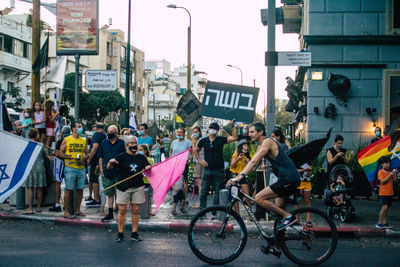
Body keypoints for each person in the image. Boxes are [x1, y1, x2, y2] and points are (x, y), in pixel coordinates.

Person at [227, 122, 301, 231]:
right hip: (284, 179)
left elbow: (254, 162)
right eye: (249, 132)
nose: (250, 134)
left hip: (289, 178)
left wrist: (239, 177)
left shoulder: (268, 142)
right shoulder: (261, 145)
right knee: (277, 213)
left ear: (261, 132)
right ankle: (278, 244)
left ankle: (289, 217)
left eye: (252, 132)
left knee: (258, 198)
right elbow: (253, 164)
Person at [107, 136, 151, 242]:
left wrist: (148, 168)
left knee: (136, 210)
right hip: (123, 188)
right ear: (127, 146)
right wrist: (110, 162)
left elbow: (148, 169)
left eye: (135, 143)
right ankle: (120, 233)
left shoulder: (141, 158)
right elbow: (109, 167)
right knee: (122, 210)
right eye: (131, 143)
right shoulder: (121, 156)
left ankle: (134, 233)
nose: (134, 145)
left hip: (138, 186)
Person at [193, 121, 238, 215]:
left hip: (219, 170)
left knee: (217, 193)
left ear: (217, 131)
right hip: (207, 170)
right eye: (211, 128)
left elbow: (234, 138)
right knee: (203, 192)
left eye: (214, 129)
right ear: (208, 129)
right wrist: (200, 160)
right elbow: (195, 150)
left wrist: (233, 126)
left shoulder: (220, 139)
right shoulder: (203, 141)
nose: (212, 130)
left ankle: (214, 213)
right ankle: (202, 213)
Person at [60, 121, 89, 219]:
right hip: (70, 167)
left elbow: (87, 154)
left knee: (80, 189)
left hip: (80, 168)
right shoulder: (67, 140)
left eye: (80, 126)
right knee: (69, 189)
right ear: (73, 128)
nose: (80, 128)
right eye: (78, 126)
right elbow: (60, 153)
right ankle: (66, 211)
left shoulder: (83, 140)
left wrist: (83, 159)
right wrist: (67, 156)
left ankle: (77, 209)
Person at [98, 125, 126, 222]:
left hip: (118, 172)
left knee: (119, 194)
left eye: (111, 131)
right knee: (109, 194)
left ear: (116, 133)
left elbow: (124, 157)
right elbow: (100, 158)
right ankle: (110, 213)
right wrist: (102, 171)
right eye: (108, 131)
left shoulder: (121, 143)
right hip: (107, 172)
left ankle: (119, 213)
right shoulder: (104, 143)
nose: (109, 133)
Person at [23, 129, 47, 214]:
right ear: (37, 135)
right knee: (39, 188)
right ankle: (39, 208)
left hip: (30, 168)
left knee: (30, 188)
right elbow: (46, 154)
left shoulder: (27, 145)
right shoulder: (40, 145)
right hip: (40, 168)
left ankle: (30, 208)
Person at [170, 127, 192, 213]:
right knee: (174, 181)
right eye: (178, 132)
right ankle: (175, 199)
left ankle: (183, 199)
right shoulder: (173, 142)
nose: (179, 134)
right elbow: (171, 152)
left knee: (185, 182)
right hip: (175, 164)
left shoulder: (187, 142)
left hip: (183, 164)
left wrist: (189, 159)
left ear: (184, 133)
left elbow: (192, 152)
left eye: (181, 132)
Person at [49, 126, 71, 212]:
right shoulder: (71, 141)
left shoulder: (60, 142)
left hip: (60, 163)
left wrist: (54, 153)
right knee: (69, 185)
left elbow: (58, 153)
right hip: (69, 164)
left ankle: (57, 204)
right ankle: (68, 205)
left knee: (58, 183)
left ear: (62, 133)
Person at [86, 123, 107, 207]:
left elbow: (94, 147)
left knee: (94, 180)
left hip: (95, 160)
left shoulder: (97, 136)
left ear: (96, 129)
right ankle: (100, 199)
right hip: (102, 159)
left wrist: (89, 158)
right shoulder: (105, 135)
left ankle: (96, 199)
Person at [230, 139, 252, 215]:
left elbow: (251, 167)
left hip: (242, 176)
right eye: (245, 145)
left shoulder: (248, 154)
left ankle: (250, 214)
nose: (246, 147)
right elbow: (232, 165)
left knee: (247, 195)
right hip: (234, 175)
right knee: (235, 196)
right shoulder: (236, 153)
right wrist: (238, 159)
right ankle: (237, 214)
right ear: (241, 146)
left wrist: (248, 161)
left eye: (247, 145)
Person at [376, 156, 398, 229]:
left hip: (390, 192)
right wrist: (390, 175)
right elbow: (382, 182)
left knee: (387, 208)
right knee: (384, 207)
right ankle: (379, 222)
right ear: (382, 164)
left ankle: (385, 223)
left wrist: (395, 174)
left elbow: (395, 181)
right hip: (384, 192)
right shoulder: (380, 172)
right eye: (386, 163)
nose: (388, 164)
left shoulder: (391, 172)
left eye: (389, 163)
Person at [139, 144, 155, 215]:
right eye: (138, 150)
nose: (139, 151)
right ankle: (139, 210)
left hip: (147, 181)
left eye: (141, 150)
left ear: (145, 151)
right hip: (139, 181)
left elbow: (152, 170)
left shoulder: (149, 160)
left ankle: (149, 210)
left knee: (148, 197)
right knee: (139, 197)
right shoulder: (137, 159)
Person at [191, 126, 204, 208]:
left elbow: (194, 150)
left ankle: (201, 203)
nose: (194, 134)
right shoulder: (199, 140)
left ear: (199, 132)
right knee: (201, 184)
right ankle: (202, 202)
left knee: (200, 184)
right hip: (198, 162)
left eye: (196, 132)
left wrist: (193, 142)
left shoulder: (199, 141)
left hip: (199, 163)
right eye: (193, 132)